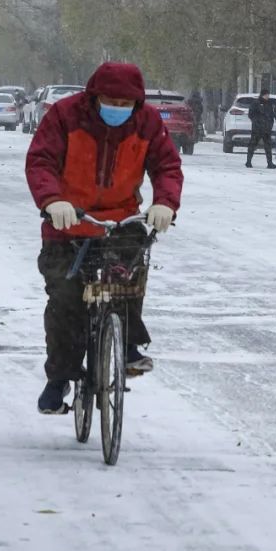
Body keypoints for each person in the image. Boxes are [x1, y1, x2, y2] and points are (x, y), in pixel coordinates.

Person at [24, 60, 183, 416]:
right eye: (111, 101)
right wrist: (53, 200)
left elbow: (167, 166)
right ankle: (59, 378)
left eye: (126, 105)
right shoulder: (65, 116)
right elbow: (41, 161)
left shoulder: (148, 123)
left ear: (137, 104)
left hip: (120, 218)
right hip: (67, 220)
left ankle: (126, 344)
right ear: (94, 97)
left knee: (128, 278)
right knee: (66, 299)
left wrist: (165, 203)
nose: (118, 110)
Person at [246, 88, 276, 169]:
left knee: (268, 146)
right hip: (257, 128)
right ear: (263, 95)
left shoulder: (269, 103)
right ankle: (248, 161)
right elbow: (251, 114)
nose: (268, 96)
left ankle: (270, 163)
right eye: (267, 95)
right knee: (253, 144)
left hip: (266, 128)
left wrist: (270, 124)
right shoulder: (256, 103)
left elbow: (271, 115)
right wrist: (256, 122)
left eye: (268, 95)